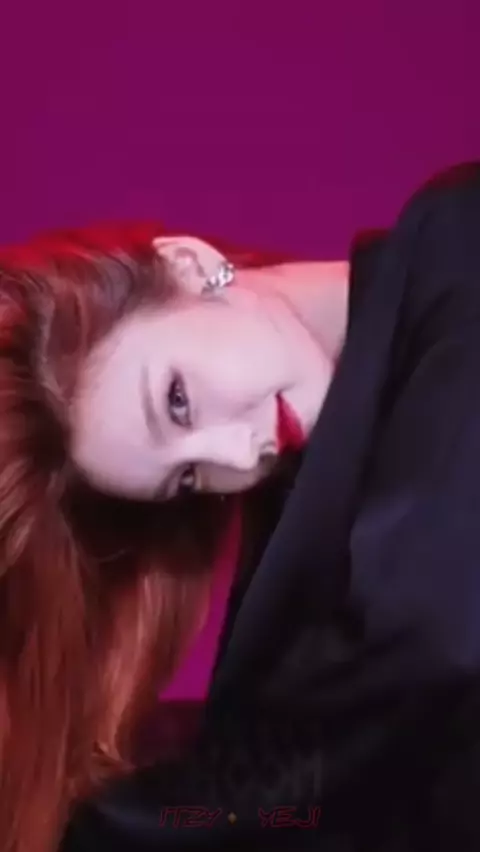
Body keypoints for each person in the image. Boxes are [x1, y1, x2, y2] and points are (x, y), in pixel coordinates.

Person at [0, 164, 478, 852]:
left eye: (178, 401)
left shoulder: (458, 244)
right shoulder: (296, 542)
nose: (237, 452)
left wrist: (114, 830)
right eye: (187, 478)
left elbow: (438, 637)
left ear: (191, 266)